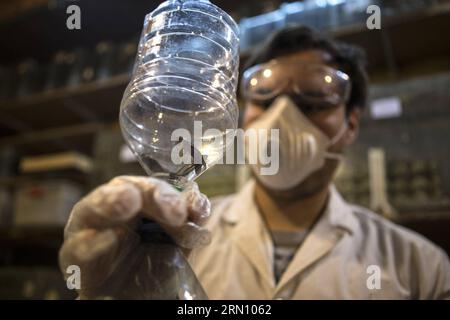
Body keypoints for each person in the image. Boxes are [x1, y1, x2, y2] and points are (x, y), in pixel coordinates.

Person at [59, 26, 450, 299]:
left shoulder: (420, 268)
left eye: (312, 100)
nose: (282, 115)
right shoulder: (172, 236)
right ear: (242, 116)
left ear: (350, 124)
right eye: (263, 98)